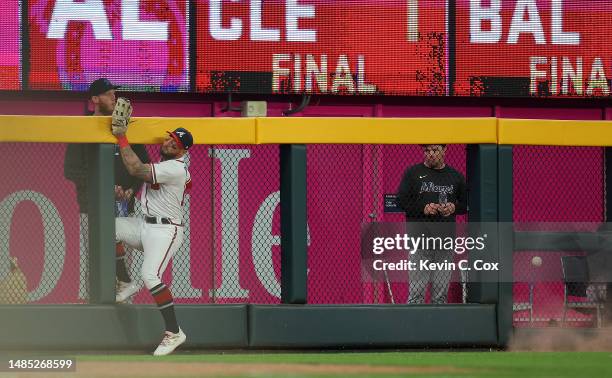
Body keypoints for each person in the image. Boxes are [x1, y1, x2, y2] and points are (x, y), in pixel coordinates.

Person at [64, 78, 150, 300]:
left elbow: (142, 165)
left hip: (124, 205)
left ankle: (125, 307)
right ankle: (94, 310)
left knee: (124, 263)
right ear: (94, 99)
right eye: (108, 93)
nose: (114, 97)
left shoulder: (124, 127)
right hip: (93, 207)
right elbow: (71, 170)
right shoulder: (81, 128)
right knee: (96, 260)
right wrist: (105, 187)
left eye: (115, 93)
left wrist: (132, 189)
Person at [112, 125, 193, 356]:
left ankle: (174, 331)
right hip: (146, 224)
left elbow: (136, 168)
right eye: (169, 139)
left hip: (166, 231)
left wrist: (121, 136)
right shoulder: (166, 165)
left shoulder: (175, 168)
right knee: (108, 229)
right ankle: (126, 283)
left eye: (174, 144)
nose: (168, 143)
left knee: (150, 275)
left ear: (182, 151)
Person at [397, 144, 467, 304]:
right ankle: (414, 327)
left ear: (444, 150)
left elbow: (465, 204)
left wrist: (453, 207)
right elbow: (401, 201)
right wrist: (424, 208)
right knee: (416, 295)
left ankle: (437, 327)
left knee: (440, 297)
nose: (430, 154)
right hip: (419, 240)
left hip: (444, 242)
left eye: (435, 150)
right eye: (426, 150)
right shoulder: (413, 173)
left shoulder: (455, 176)